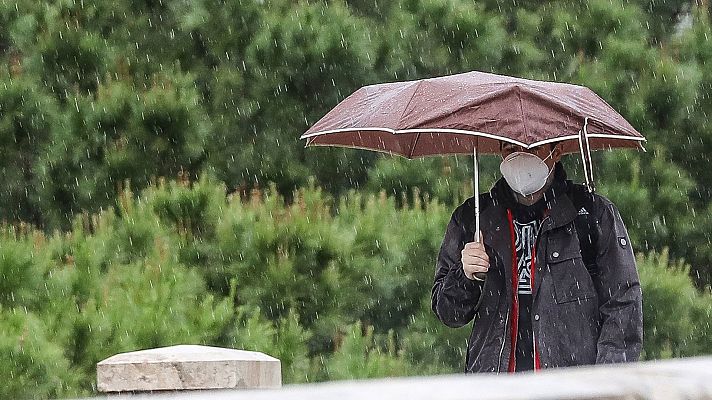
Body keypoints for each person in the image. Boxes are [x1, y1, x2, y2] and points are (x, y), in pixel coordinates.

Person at [431, 142, 643, 373]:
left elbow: (622, 303)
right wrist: (465, 276)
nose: (520, 156)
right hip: (493, 388)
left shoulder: (592, 213)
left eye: (532, 147)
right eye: (510, 148)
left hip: (571, 388)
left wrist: (606, 382)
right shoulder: (474, 218)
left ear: (557, 151)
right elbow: (448, 313)